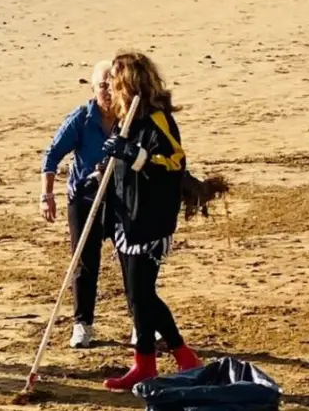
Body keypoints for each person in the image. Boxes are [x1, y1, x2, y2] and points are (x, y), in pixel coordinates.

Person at [99, 49, 202, 391]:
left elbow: (174, 162)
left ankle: (178, 355)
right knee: (135, 294)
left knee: (143, 293)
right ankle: (149, 362)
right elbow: (123, 170)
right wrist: (104, 173)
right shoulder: (126, 120)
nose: (110, 88)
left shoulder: (157, 119)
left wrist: (134, 154)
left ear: (126, 82)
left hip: (152, 220)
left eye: (114, 82)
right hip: (126, 217)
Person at [40, 60, 119, 349]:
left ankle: (141, 324)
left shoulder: (130, 117)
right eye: (102, 86)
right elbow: (51, 156)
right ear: (93, 87)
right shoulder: (82, 119)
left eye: (113, 85)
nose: (108, 91)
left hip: (120, 198)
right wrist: (46, 195)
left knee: (131, 260)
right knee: (85, 263)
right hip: (85, 199)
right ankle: (82, 324)